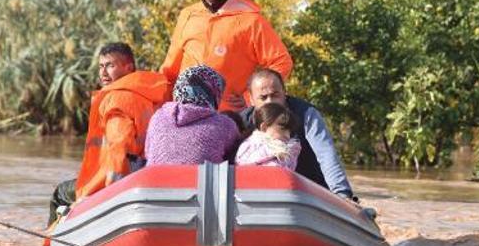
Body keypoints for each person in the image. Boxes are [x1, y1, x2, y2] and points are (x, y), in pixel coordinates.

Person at [48, 43, 171, 226]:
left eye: (110, 65)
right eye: (101, 66)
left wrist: (94, 195)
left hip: (116, 178)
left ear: (128, 67)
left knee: (60, 193)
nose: (103, 73)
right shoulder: (152, 96)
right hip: (146, 173)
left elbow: (119, 151)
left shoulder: (117, 99)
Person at [159, 0, 293, 112]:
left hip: (230, 116)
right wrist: (162, 104)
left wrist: (252, 97)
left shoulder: (251, 20)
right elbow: (170, 68)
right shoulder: (187, 15)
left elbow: (281, 62)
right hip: (185, 112)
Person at [241, 68, 357, 200]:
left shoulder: (306, 114)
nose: (270, 102)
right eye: (263, 97)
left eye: (275, 95)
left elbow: (326, 154)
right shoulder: (242, 123)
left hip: (311, 190)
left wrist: (342, 194)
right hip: (259, 194)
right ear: (251, 99)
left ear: (285, 93)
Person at [145, 65, 240, 166]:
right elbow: (238, 158)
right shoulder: (225, 125)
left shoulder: (158, 117)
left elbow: (148, 153)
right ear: (213, 93)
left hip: (154, 180)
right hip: (201, 181)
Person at [235, 102, 302, 169]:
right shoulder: (250, 147)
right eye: (282, 129)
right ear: (264, 127)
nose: (287, 135)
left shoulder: (289, 150)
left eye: (289, 131)